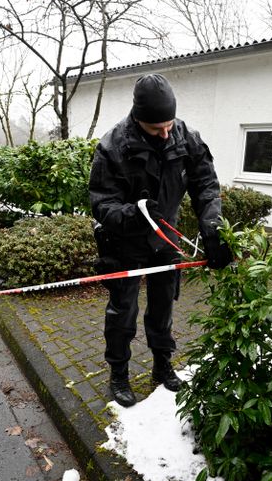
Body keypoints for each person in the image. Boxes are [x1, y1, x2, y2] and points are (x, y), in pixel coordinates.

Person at [89, 73, 233, 407]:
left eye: (169, 124)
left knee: (163, 307)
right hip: (123, 241)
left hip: (165, 240)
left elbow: (206, 185)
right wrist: (134, 215)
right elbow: (102, 204)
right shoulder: (112, 146)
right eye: (157, 128)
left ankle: (162, 364)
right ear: (138, 119)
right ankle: (119, 373)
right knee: (122, 311)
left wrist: (213, 229)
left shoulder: (185, 137)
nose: (166, 133)